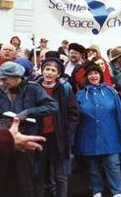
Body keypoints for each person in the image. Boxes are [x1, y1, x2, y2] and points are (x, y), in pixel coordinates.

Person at [0, 61, 58, 197]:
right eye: (1, 79)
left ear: (17, 77)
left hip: (25, 139)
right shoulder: (1, 88)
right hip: (5, 137)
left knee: (24, 177)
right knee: (3, 176)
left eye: (5, 78)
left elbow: (53, 106)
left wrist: (28, 112)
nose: (2, 82)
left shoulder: (33, 89)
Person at [73, 63, 121, 197]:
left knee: (113, 165)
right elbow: (74, 117)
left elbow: (120, 112)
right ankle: (96, 191)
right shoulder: (80, 95)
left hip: (110, 135)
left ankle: (117, 192)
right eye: (90, 74)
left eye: (96, 73)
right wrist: (72, 137)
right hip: (88, 135)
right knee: (92, 168)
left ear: (101, 75)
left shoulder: (111, 92)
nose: (93, 76)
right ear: (86, 77)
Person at [35, 57, 80, 197]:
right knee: (39, 174)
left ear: (58, 74)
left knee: (61, 175)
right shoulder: (34, 88)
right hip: (38, 136)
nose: (49, 72)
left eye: (53, 70)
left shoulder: (65, 89)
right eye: (46, 69)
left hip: (58, 136)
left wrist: (67, 131)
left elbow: (74, 113)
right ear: (42, 71)